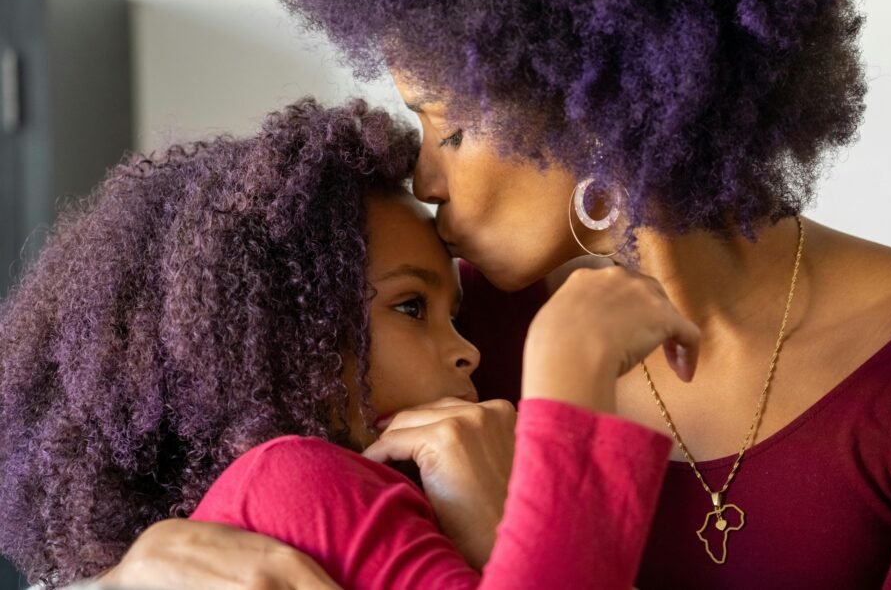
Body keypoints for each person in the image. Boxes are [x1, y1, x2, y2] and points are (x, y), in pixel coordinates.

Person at [104, 0, 891, 588]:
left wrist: (511, 530)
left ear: (595, 106)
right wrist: (125, 577)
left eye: (445, 126)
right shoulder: (452, 344)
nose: (423, 179)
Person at [0, 98, 693, 589]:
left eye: (449, 123)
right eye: (412, 306)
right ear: (284, 342)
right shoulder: (297, 480)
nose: (469, 351)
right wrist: (569, 379)